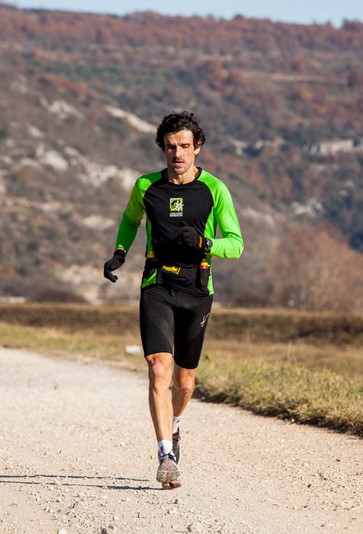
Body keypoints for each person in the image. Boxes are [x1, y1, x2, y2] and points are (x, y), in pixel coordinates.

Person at [104, 111, 243, 488]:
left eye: (184, 146)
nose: (176, 154)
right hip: (157, 283)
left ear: (197, 147)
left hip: (197, 288)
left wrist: (206, 242)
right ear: (161, 149)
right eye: (169, 147)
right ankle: (166, 454)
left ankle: (176, 425)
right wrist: (120, 251)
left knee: (184, 383)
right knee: (158, 369)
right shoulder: (146, 186)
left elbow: (237, 244)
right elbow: (130, 220)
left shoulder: (214, 189)